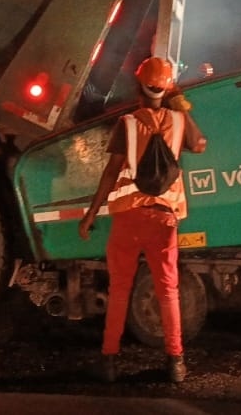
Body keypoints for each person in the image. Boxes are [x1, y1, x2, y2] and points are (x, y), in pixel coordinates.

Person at [79, 56, 208, 383]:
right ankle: (176, 362)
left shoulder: (128, 124)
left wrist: (91, 214)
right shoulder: (178, 122)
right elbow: (199, 144)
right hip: (163, 219)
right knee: (168, 291)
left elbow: (111, 172)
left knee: (120, 289)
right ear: (167, 89)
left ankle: (109, 361)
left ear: (138, 86)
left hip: (128, 218)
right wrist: (180, 105)